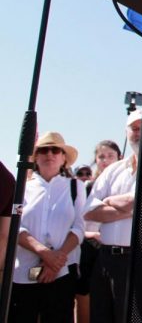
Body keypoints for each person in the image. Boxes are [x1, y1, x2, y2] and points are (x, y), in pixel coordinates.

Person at [10, 132, 86, 323]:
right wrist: (44, 253)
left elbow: (78, 227)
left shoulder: (76, 187)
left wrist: (56, 261)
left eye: (55, 150)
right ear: (36, 157)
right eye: (44, 150)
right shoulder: (20, 187)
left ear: (63, 158)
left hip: (61, 272)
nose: (49, 154)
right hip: (24, 273)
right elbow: (15, 226)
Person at [85, 111, 141, 323]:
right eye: (133, 128)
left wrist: (108, 200)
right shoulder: (113, 171)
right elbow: (90, 210)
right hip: (105, 259)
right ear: (126, 132)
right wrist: (130, 207)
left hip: (134, 262)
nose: (137, 133)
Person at [76, 140, 122, 323]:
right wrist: (91, 235)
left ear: (119, 157)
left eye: (110, 156)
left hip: (116, 249)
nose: (105, 160)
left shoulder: (127, 183)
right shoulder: (88, 187)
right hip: (90, 246)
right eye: (101, 157)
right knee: (85, 292)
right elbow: (82, 218)